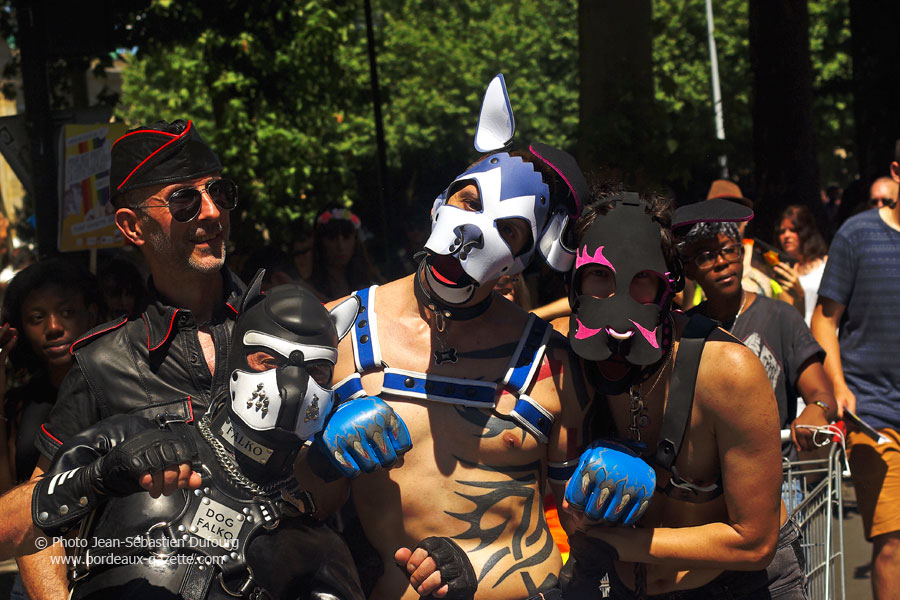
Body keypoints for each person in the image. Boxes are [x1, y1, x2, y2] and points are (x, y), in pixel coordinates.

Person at [298, 74, 647, 600]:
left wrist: (611, 485)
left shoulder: (550, 362)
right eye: (468, 201)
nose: (473, 229)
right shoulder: (340, 329)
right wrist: (322, 457)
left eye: (510, 230)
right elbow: (289, 503)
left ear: (524, 259)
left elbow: (578, 521)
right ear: (440, 201)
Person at [18, 119, 246, 599]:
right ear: (131, 226)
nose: (211, 212)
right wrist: (98, 477)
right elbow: (33, 525)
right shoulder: (102, 362)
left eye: (220, 193)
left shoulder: (287, 326)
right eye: (184, 201)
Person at [558, 184, 807, 599]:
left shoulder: (727, 370)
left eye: (642, 277)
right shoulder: (567, 363)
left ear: (667, 284)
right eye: (600, 274)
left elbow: (754, 542)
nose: (618, 296)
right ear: (576, 280)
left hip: (738, 586)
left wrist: (615, 543)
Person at [810, 140, 900, 600]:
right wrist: (839, 386)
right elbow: (824, 320)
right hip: (875, 412)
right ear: (897, 171)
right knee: (893, 543)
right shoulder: (858, 234)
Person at [680, 219, 837, 458]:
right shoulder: (684, 330)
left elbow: (822, 395)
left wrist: (817, 409)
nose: (721, 263)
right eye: (706, 256)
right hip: (705, 475)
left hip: (778, 471)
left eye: (728, 250)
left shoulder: (781, 316)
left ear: (742, 254)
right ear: (689, 269)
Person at [0, 259, 101, 490]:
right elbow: (5, 495)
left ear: (91, 314)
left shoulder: (120, 387)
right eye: (37, 318)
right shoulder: (21, 404)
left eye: (67, 312)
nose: (53, 327)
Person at [310, 207, 383, 301]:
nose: (340, 246)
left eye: (346, 237)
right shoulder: (307, 289)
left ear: (355, 240)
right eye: (332, 238)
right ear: (320, 242)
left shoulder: (372, 281)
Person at [773, 205, 829, 325]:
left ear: (806, 231)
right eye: (782, 231)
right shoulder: (781, 269)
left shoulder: (826, 265)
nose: (786, 236)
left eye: (793, 230)